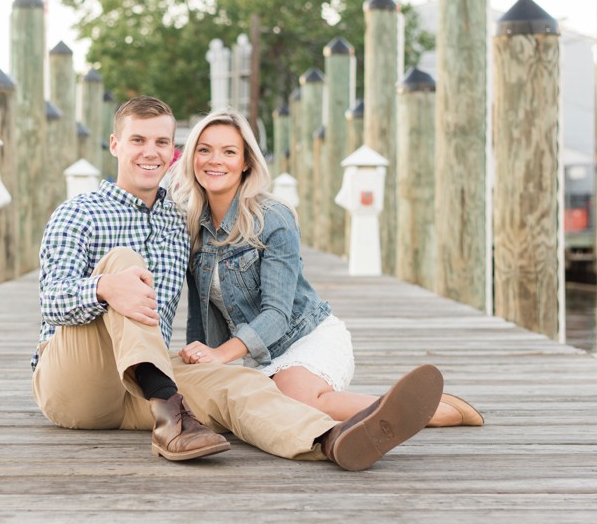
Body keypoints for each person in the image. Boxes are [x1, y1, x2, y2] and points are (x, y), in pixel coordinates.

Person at [32, 95, 445, 471]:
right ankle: (168, 403)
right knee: (125, 263)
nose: (150, 152)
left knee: (240, 381)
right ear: (115, 145)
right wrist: (104, 287)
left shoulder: (179, 221)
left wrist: (209, 356)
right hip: (75, 386)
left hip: (139, 392)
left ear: (173, 152)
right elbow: (50, 300)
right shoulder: (79, 213)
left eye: (161, 142)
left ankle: (330, 438)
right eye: (138, 140)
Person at [169, 111, 483, 428]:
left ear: (247, 162)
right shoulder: (194, 226)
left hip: (306, 341)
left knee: (293, 401)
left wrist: (221, 355)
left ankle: (434, 411)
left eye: (229, 151)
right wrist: (203, 364)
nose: (214, 160)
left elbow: (276, 314)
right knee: (245, 410)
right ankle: (372, 416)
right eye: (204, 149)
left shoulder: (273, 218)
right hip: (250, 358)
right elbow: (201, 314)